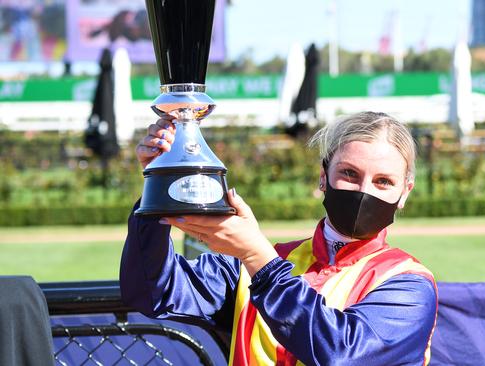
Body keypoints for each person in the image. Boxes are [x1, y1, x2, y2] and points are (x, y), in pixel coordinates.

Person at [120, 111, 438, 365]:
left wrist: (260, 260)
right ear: (323, 178)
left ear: (404, 193)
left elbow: (343, 354)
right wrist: (158, 184)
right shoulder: (256, 262)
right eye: (349, 174)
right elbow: (150, 292)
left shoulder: (409, 284)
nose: (363, 191)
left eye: (383, 181)